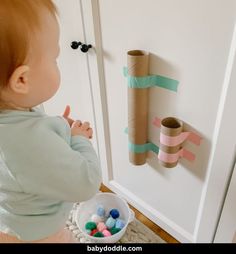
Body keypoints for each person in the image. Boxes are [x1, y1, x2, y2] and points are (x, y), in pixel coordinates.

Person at [0, 0, 102, 243]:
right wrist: (78, 140)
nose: (58, 62)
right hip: (38, 234)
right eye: (55, 57)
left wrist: (57, 133)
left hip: (12, 219)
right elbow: (86, 183)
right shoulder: (28, 142)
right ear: (22, 80)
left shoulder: (12, 112)